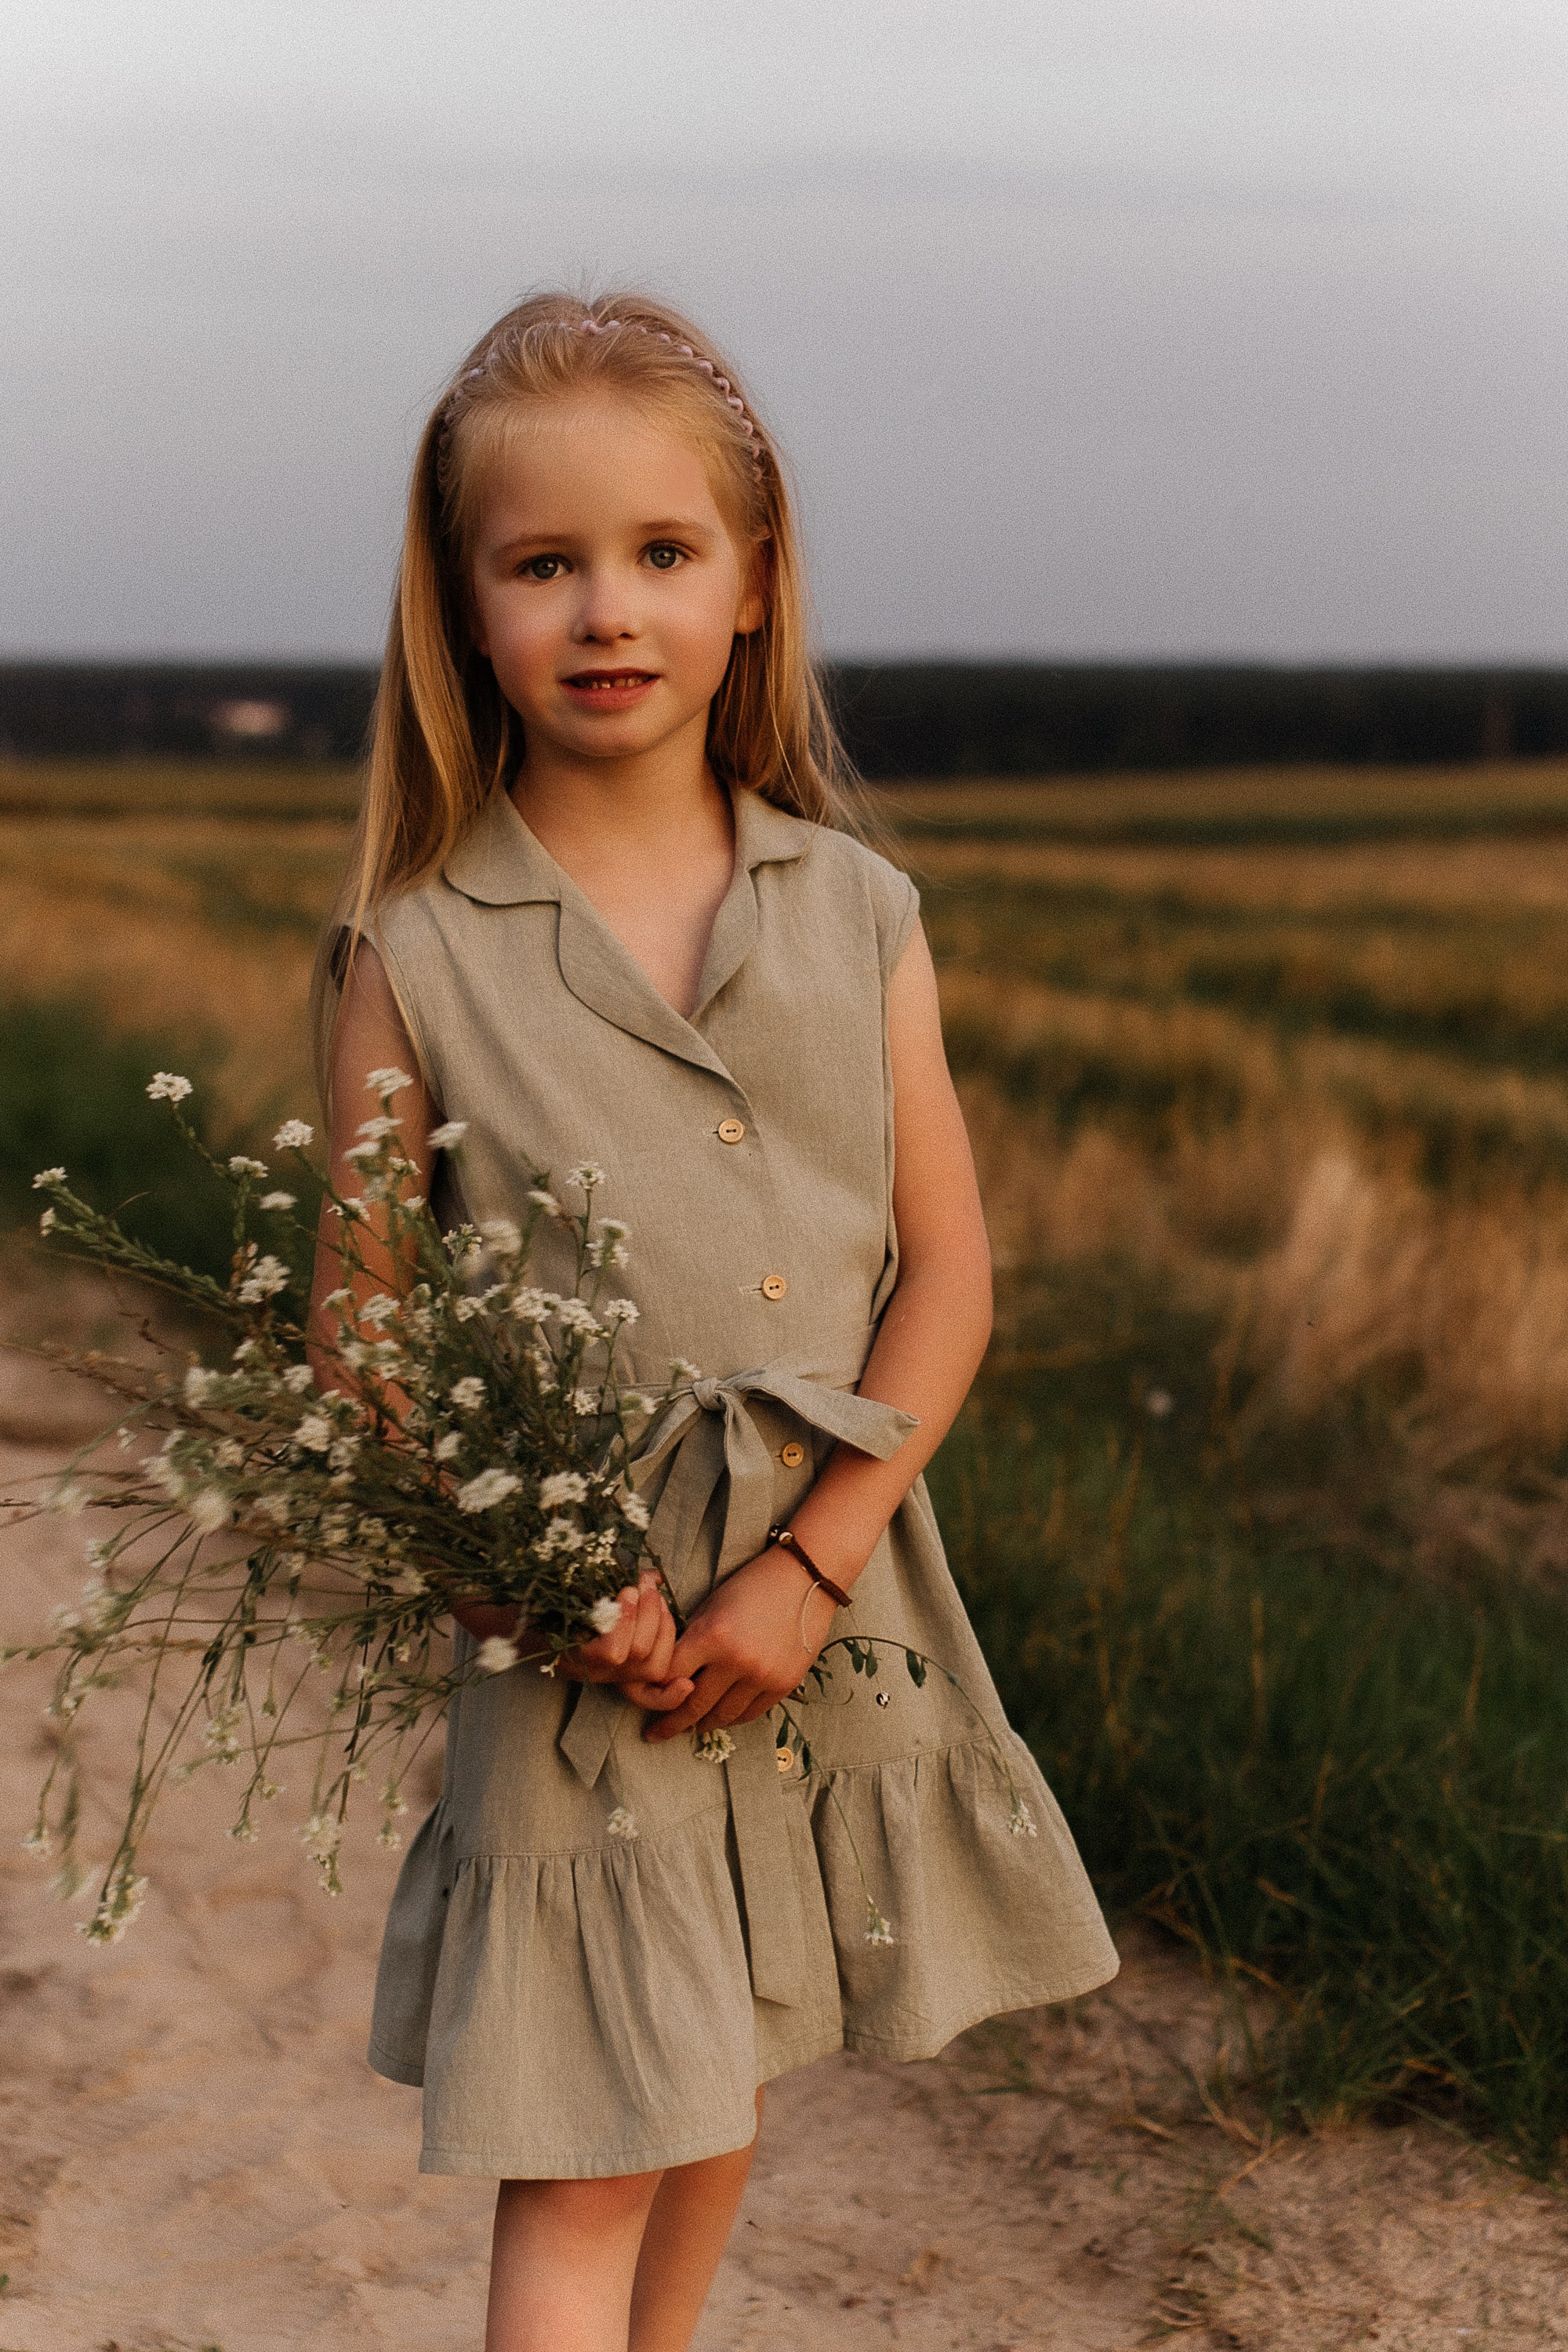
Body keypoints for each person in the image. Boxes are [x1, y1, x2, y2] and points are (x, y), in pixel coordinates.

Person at [306, 290, 1117, 2352]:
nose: (606, 610)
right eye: (542, 562)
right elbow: (364, 1338)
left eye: (661, 554)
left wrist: (809, 1567)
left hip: (815, 1601)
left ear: (752, 586)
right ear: (466, 604)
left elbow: (948, 1276)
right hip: (582, 1630)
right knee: (582, 2151)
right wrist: (551, 1574)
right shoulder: (420, 946)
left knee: (724, 2061)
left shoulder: (856, 913)